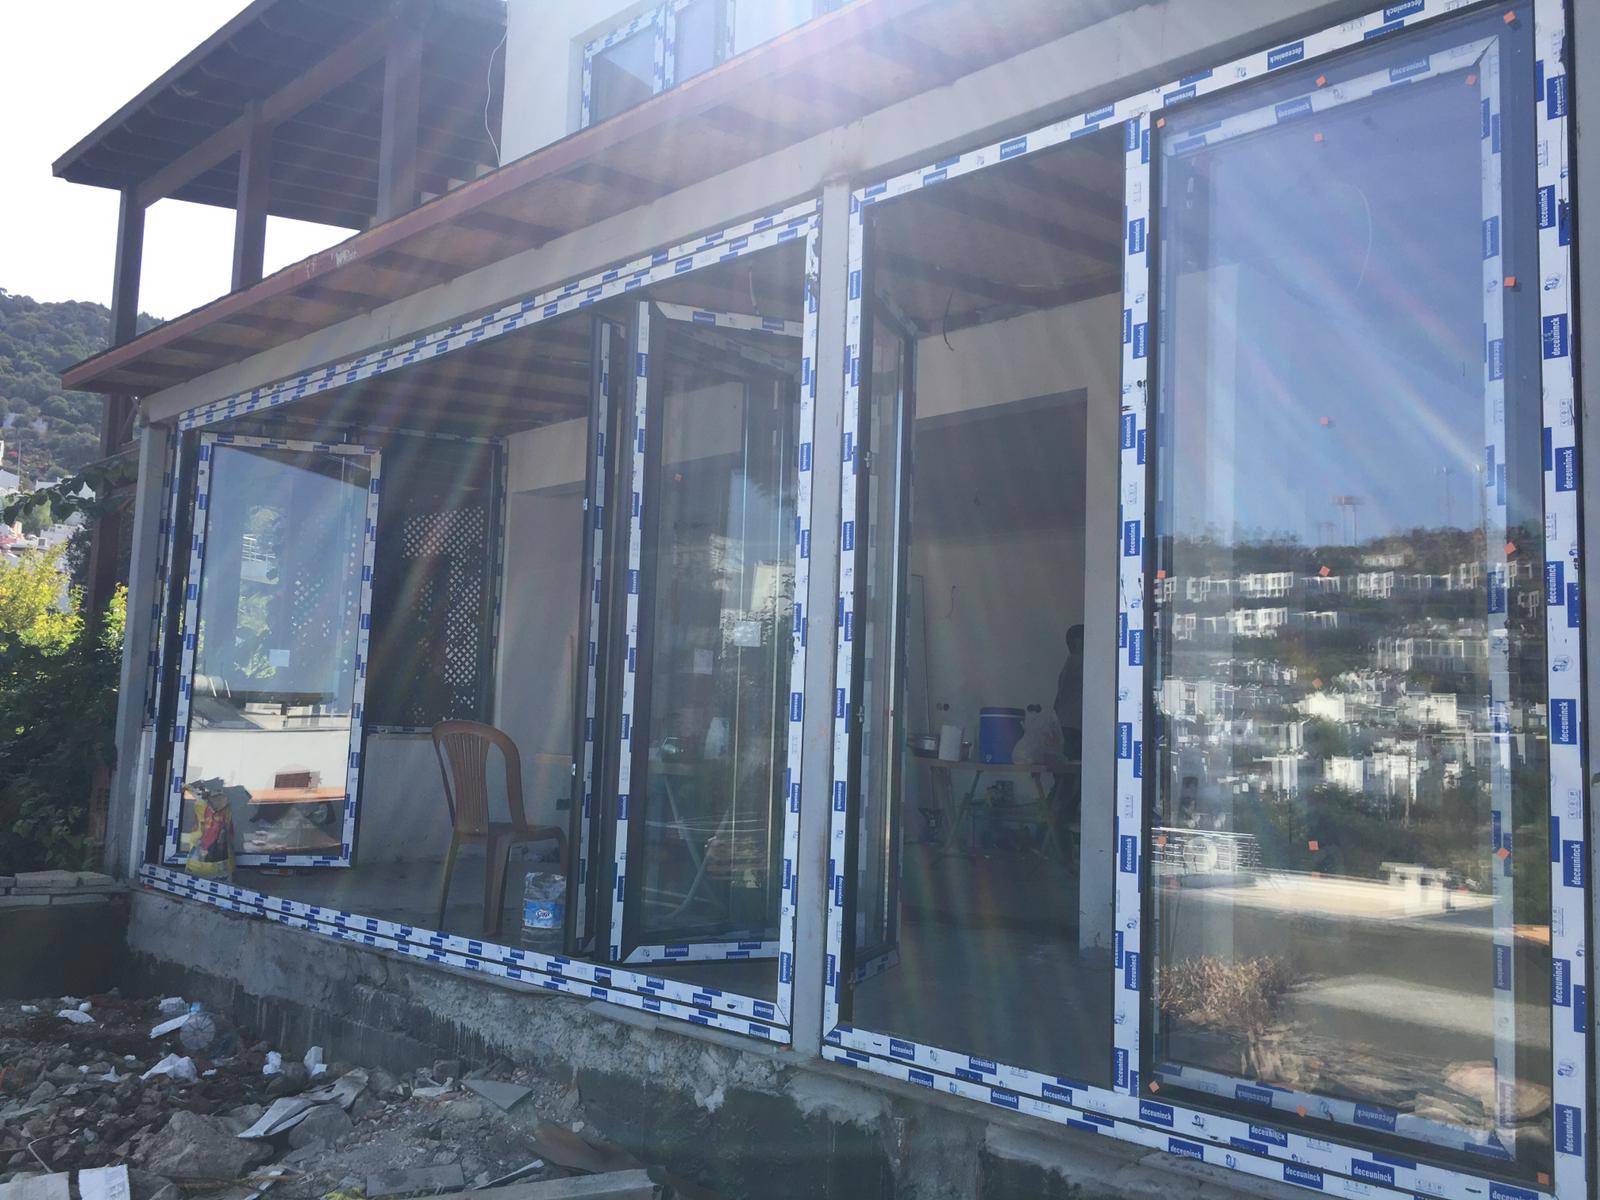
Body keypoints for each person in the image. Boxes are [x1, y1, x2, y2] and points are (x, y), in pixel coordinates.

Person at [1053, 624, 1084, 759]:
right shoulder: (1080, 662)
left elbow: (1058, 698)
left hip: (1065, 724)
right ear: (1078, 642)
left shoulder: (1069, 663)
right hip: (1074, 726)